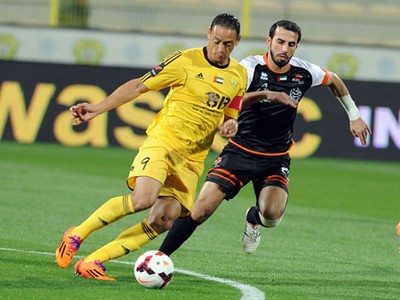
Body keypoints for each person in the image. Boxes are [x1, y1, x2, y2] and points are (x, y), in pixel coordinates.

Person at [55, 13, 294, 281]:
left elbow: (231, 112)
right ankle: (77, 234)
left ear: (237, 41)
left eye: (227, 44)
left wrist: (230, 125)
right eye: (216, 41)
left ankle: (93, 261)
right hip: (164, 142)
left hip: (192, 158)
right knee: (143, 199)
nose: (220, 49)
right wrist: (96, 109)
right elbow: (138, 86)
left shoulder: (238, 75)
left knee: (164, 219)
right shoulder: (184, 60)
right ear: (208, 34)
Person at [158, 19, 372, 257]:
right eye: (280, 42)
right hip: (240, 151)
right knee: (200, 211)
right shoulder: (249, 69)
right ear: (269, 41)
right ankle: (159, 258)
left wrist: (354, 115)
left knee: (271, 217)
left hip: (275, 158)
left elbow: (334, 80)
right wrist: (265, 96)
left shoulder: (304, 72)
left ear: (296, 47)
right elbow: (231, 99)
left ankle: (253, 218)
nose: (284, 48)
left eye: (291, 44)